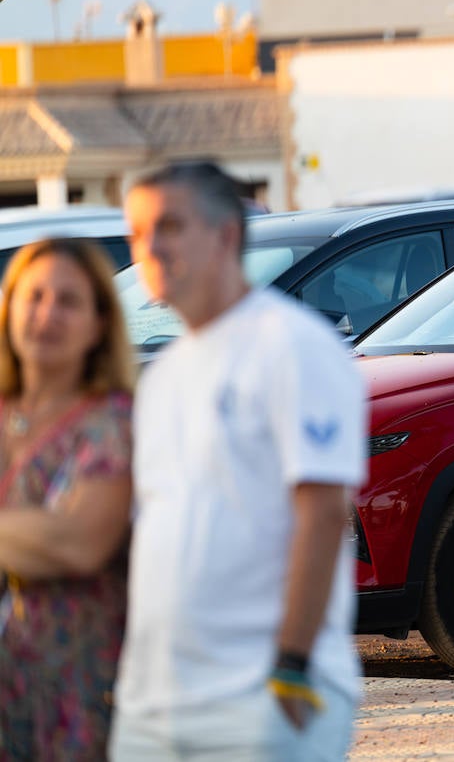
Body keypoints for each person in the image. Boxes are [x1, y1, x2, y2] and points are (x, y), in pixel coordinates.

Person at [112, 162, 366, 761]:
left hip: (258, 696)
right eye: (137, 232)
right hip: (154, 704)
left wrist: (291, 666)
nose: (149, 248)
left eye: (170, 226)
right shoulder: (165, 373)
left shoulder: (293, 345)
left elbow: (325, 512)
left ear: (226, 235)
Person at [0, 238, 135, 761]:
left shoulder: (113, 423)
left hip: (76, 690)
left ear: (100, 324)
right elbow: (47, 538)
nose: (47, 314)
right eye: (33, 296)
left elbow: (78, 544)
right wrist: (32, 535)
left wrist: (48, 540)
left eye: (69, 301)